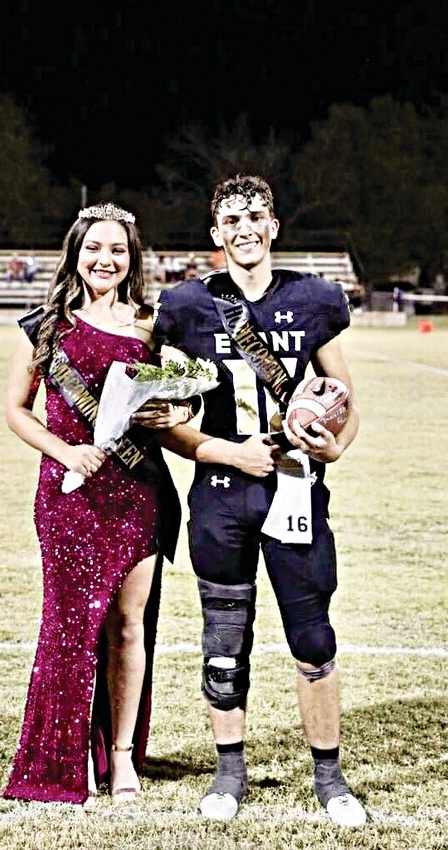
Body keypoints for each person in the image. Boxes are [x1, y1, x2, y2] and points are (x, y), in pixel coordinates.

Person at [151, 174, 367, 827]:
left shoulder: (312, 298)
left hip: (296, 488)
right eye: (231, 220)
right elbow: (162, 415)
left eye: (255, 216)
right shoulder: (187, 305)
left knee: (312, 636)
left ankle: (330, 780)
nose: (244, 228)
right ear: (216, 234)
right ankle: (228, 773)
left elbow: (345, 398)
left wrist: (336, 448)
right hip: (221, 495)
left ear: (272, 225)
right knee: (223, 640)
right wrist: (223, 450)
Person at [3, 202, 197, 805]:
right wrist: (65, 450)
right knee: (69, 628)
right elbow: (15, 409)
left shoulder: (150, 325)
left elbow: (177, 404)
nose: (104, 259)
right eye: (94, 248)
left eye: (117, 249)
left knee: (128, 628)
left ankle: (120, 757)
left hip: (137, 491)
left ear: (132, 257)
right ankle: (61, 759)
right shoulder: (48, 326)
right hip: (68, 496)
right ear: (76, 252)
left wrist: (181, 410)